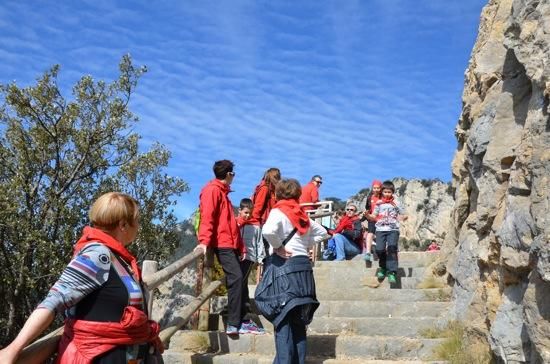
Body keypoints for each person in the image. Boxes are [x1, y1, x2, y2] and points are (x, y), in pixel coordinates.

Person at [0, 192, 163, 364]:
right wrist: (14, 348)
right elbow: (54, 300)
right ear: (123, 225)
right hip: (98, 358)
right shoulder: (97, 255)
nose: (138, 227)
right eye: (136, 222)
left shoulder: (118, 257)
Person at [261, 178, 327, 364]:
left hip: (285, 268)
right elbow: (323, 233)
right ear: (298, 194)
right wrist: (305, 245)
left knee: (282, 320)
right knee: (298, 323)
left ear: (278, 193)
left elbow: (268, 231)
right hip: (304, 270)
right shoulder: (302, 216)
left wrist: (279, 247)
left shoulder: (278, 211)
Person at [194, 160, 262, 335]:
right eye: (234, 174)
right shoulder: (212, 191)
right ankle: (235, 323)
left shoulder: (222, 193)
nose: (234, 177)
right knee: (237, 278)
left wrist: (241, 247)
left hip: (230, 244)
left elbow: (231, 225)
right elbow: (208, 218)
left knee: (238, 279)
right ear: (229, 174)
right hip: (222, 243)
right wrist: (204, 241)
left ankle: (238, 321)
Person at [368, 180, 408, 284]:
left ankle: (392, 272)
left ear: (392, 192)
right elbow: (374, 216)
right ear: (382, 192)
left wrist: (403, 218)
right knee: (379, 249)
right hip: (380, 229)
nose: (387, 194)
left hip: (393, 230)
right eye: (385, 192)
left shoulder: (396, 203)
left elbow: (404, 214)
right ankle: (383, 267)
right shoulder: (379, 203)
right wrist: (367, 216)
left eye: (389, 192)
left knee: (392, 248)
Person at [236, 198, 265, 326]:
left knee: (242, 282)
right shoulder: (235, 223)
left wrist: (260, 259)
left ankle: (244, 310)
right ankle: (237, 307)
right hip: (235, 257)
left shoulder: (255, 226)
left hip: (249, 257)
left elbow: (259, 243)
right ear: (240, 210)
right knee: (237, 282)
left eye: (250, 213)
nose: (248, 215)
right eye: (246, 212)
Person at [250, 167, 281, 264]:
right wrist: (255, 224)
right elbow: (258, 207)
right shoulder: (265, 189)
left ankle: (267, 276)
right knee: (267, 255)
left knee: (269, 254)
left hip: (266, 224)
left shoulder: (270, 190)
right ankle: (267, 277)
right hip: (263, 224)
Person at [362, 180, 382, 262]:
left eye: (378, 188)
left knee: (380, 236)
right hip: (372, 218)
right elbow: (367, 208)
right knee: (370, 234)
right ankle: (368, 253)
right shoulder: (370, 197)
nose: (376, 189)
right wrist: (365, 215)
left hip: (381, 219)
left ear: (381, 189)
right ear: (372, 188)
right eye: (374, 188)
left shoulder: (383, 197)